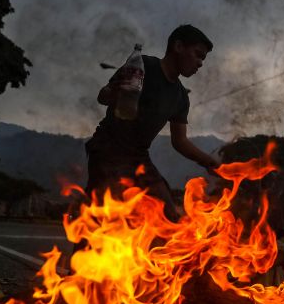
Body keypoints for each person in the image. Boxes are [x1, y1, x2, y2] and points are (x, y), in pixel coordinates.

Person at [84, 25, 219, 222]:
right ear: (178, 46)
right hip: (107, 150)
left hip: (138, 157)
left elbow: (180, 141)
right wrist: (114, 93)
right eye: (197, 55)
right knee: (101, 217)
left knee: (169, 215)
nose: (199, 63)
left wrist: (209, 162)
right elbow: (102, 97)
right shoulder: (142, 66)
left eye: (203, 59)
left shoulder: (181, 97)